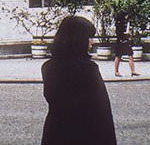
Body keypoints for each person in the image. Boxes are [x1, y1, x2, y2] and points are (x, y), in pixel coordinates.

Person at [41, 16, 116, 145]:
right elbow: (102, 112)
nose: (91, 43)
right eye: (89, 38)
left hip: (56, 132)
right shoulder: (88, 69)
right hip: (84, 134)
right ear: (79, 40)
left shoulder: (48, 67)